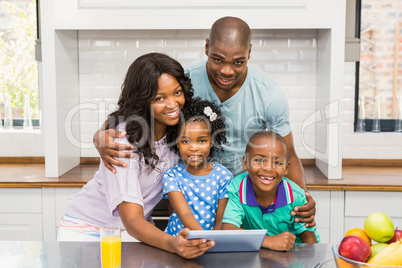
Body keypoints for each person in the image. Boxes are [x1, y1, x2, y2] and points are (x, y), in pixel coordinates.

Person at [93, 16, 316, 227]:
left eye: (238, 62)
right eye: (217, 59)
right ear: (207, 47)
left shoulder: (269, 94)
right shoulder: (186, 80)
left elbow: (289, 153)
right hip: (187, 188)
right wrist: (100, 135)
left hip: (240, 195)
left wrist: (302, 199)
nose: (226, 70)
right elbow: (138, 105)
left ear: (249, 52)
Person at [58, 53, 214, 259]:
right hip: (89, 231)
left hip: (131, 234)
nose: (173, 104)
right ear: (143, 101)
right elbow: (132, 220)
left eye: (177, 92)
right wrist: (174, 244)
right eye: (160, 98)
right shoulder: (123, 142)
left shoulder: (178, 132)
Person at [221, 131, 319, 251]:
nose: (268, 168)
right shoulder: (238, 188)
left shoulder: (296, 196)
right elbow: (228, 229)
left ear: (286, 168)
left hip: (294, 255)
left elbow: (310, 242)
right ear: (245, 163)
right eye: (258, 160)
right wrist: (267, 241)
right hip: (261, 252)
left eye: (277, 162)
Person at [163, 97, 232, 236]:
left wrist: (212, 245)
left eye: (201, 141)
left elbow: (220, 222)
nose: (193, 148)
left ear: (212, 141)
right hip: (176, 244)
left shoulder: (223, 176)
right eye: (186, 141)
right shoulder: (171, 176)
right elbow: (185, 215)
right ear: (176, 142)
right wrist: (204, 239)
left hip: (211, 244)